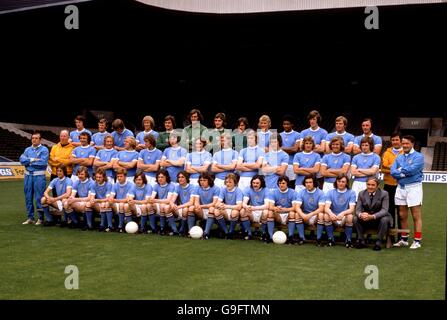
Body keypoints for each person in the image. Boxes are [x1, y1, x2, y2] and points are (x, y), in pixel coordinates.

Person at [391, 135, 424, 249]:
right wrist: (402, 172)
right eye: (403, 143)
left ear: (412, 144)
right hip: (400, 188)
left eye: (407, 143)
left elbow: (413, 169)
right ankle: (404, 239)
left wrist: (400, 171)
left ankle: (417, 241)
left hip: (414, 187)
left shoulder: (418, 156)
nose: (404, 145)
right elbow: (392, 171)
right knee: (402, 215)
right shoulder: (399, 157)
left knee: (415, 215)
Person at [354, 177, 393, 251]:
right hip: (366, 219)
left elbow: (385, 210)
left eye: (372, 185)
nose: (370, 187)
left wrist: (372, 216)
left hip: (379, 219)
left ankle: (378, 242)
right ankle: (361, 240)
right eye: (368, 184)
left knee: (384, 219)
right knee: (355, 218)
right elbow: (357, 210)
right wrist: (361, 215)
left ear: (377, 186)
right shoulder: (361, 193)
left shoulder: (384, 194)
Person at [20, 132, 49, 225]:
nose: (34, 140)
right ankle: (30, 217)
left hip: (39, 176)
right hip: (28, 176)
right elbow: (22, 160)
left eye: (36, 138)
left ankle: (40, 218)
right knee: (28, 197)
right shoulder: (27, 149)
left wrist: (28, 162)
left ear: (40, 140)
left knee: (39, 197)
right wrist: (33, 160)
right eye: (33, 138)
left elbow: (43, 163)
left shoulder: (44, 150)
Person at [323, 174, 356, 248]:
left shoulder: (351, 192)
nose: (341, 183)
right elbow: (326, 207)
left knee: (350, 216)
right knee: (326, 215)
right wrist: (331, 214)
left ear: (347, 183)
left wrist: (343, 213)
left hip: (344, 217)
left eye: (343, 182)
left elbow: (352, 209)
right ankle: (330, 239)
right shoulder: (330, 192)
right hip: (333, 217)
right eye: (339, 181)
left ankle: (348, 240)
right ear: (336, 182)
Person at [381, 132, 403, 236]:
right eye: (393, 140)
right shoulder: (386, 153)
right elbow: (383, 167)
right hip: (388, 185)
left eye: (396, 140)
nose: (395, 142)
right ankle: (390, 235)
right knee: (389, 210)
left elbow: (406, 167)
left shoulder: (405, 152)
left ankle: (401, 237)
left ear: (401, 141)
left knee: (401, 212)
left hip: (401, 185)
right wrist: (397, 169)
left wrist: (391, 167)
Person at [210, 173, 244, 239]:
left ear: (235, 183)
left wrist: (225, 206)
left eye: (230, 182)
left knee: (235, 212)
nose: (228, 184)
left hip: (234, 210)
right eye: (227, 182)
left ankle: (231, 231)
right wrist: (220, 205)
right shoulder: (223, 190)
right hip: (226, 210)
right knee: (216, 211)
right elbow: (217, 203)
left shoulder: (238, 191)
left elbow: (239, 206)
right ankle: (226, 232)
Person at [265, 176, 298, 243]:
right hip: (278, 215)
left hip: (288, 214)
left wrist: (284, 209)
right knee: (270, 212)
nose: (281, 185)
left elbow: (295, 208)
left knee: (292, 213)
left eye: (283, 183)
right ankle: (270, 237)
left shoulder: (293, 192)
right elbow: (270, 206)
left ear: (287, 184)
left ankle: (290, 237)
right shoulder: (273, 192)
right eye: (280, 183)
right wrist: (275, 208)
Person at [294, 175, 325, 245]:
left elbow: (321, 208)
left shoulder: (320, 193)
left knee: (321, 215)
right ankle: (302, 238)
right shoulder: (301, 192)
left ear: (314, 183)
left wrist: (310, 215)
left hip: (315, 215)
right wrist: (303, 215)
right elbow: (297, 207)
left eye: (310, 182)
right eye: (306, 182)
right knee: (297, 214)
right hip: (305, 215)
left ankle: (318, 239)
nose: (308, 184)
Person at [191, 172, 220, 238]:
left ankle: (206, 233)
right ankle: (190, 231)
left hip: (212, 209)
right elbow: (196, 201)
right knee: (192, 208)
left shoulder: (216, 188)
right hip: (201, 210)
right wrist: (197, 206)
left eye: (204, 180)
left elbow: (214, 203)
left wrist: (200, 206)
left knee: (212, 209)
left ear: (209, 180)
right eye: (201, 180)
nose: (202, 182)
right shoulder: (197, 187)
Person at [240, 175, 270, 240]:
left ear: (261, 183)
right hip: (252, 211)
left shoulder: (266, 190)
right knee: (243, 211)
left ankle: (264, 233)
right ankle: (249, 233)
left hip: (261, 210)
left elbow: (267, 205)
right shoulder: (248, 189)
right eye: (253, 183)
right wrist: (247, 206)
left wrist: (254, 208)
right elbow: (244, 203)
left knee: (266, 212)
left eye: (257, 183)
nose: (255, 185)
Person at [64, 166, 94, 231]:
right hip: (80, 200)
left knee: (84, 205)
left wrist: (75, 199)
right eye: (79, 174)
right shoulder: (77, 182)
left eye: (82, 174)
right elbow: (72, 195)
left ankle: (87, 224)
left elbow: (89, 198)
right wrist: (70, 199)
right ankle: (75, 222)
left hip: (88, 201)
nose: (80, 176)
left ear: (86, 174)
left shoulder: (91, 182)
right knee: (66, 203)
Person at [149, 169, 177, 235]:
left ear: (166, 177)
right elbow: (151, 199)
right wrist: (151, 200)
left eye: (162, 177)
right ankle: (154, 228)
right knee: (149, 205)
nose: (160, 179)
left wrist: (155, 200)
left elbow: (168, 200)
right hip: (161, 204)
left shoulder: (171, 185)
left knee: (163, 206)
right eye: (158, 177)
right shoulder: (156, 186)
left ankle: (170, 229)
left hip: (170, 206)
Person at [86, 168, 113, 232]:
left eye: (100, 177)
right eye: (97, 177)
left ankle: (104, 225)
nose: (98, 179)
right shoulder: (93, 184)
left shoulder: (108, 184)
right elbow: (92, 196)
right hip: (99, 203)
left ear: (104, 177)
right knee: (88, 204)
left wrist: (96, 200)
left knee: (104, 204)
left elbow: (108, 199)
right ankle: (89, 225)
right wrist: (92, 199)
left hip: (107, 203)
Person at [109, 168, 134, 233]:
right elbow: (111, 198)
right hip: (118, 204)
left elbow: (127, 199)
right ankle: (109, 226)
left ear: (125, 176)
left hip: (127, 204)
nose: (119, 178)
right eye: (118, 176)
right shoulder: (115, 185)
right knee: (107, 204)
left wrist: (115, 200)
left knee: (122, 204)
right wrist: (112, 200)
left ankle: (122, 226)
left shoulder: (131, 185)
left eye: (121, 176)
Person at [171, 171, 196, 235]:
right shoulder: (177, 187)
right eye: (179, 177)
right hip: (181, 208)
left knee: (185, 209)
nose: (180, 179)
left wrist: (179, 206)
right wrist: (172, 204)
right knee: (168, 207)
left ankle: (182, 228)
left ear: (186, 178)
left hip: (190, 208)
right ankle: (173, 230)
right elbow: (173, 199)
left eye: (182, 177)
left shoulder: (192, 187)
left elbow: (191, 202)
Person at [279, 115, 301, 187]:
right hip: (281, 164)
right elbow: (275, 149)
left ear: (292, 124)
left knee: (291, 184)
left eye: (288, 124)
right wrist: (289, 149)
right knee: (282, 184)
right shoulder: (279, 135)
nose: (286, 126)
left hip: (292, 164)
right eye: (284, 124)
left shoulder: (298, 135)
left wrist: (281, 148)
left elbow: (295, 149)